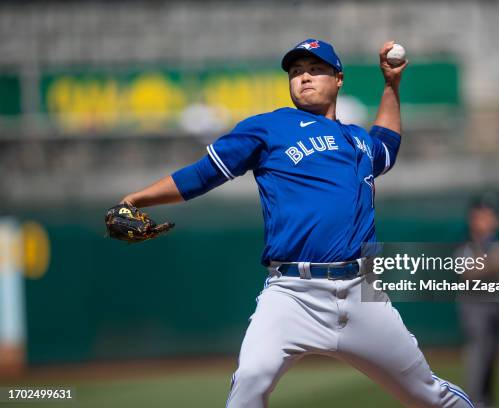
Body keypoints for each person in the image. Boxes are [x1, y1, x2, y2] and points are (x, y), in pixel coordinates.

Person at [118, 38, 474, 408]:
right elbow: (202, 174)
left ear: (338, 79)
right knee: (251, 382)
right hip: (292, 295)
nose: (303, 77)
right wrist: (134, 200)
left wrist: (391, 85)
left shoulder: (358, 141)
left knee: (430, 396)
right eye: (295, 71)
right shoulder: (269, 128)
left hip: (362, 294)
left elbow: (387, 143)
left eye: (315, 70)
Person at [455, 194, 499, 408]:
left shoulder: (496, 243)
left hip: (494, 303)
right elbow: (467, 272)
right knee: (477, 356)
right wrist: (492, 263)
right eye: (484, 216)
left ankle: (486, 402)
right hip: (474, 306)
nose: (489, 221)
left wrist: (492, 264)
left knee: (492, 356)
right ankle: (473, 401)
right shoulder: (467, 243)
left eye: (491, 216)